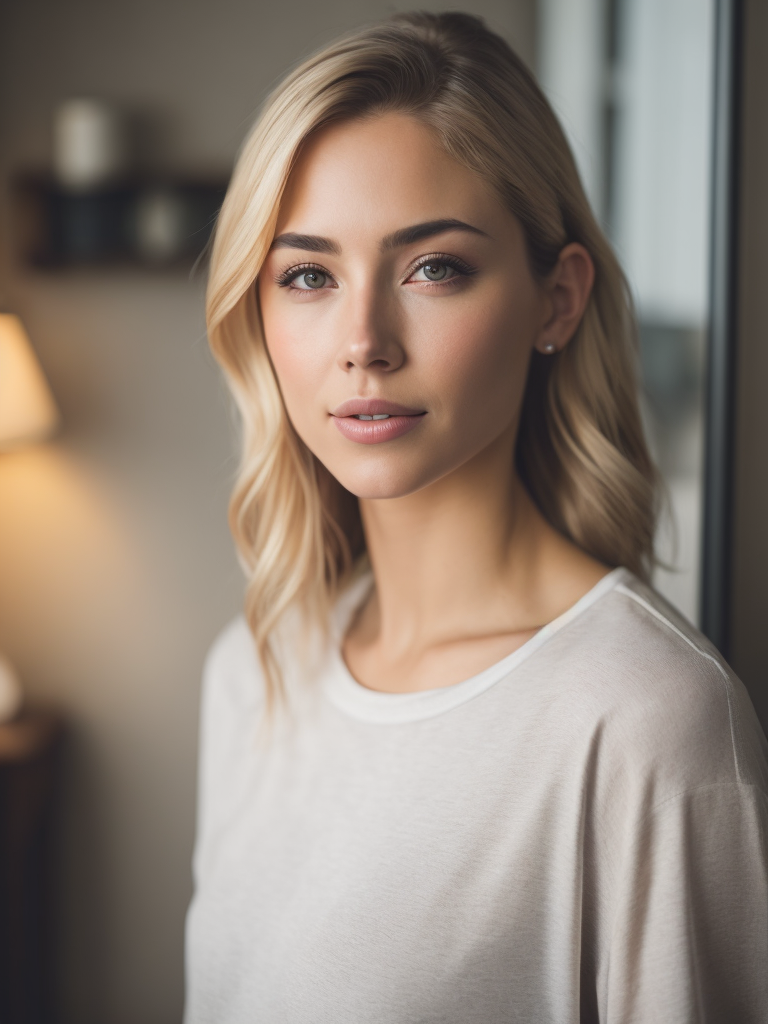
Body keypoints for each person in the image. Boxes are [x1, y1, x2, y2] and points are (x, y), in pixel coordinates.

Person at [183, 12, 768, 1023]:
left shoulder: (648, 720)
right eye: (309, 275)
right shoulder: (255, 668)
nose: (364, 341)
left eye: (434, 267)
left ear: (557, 300)